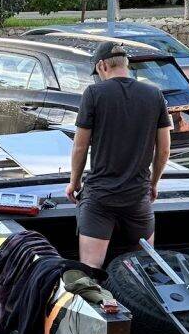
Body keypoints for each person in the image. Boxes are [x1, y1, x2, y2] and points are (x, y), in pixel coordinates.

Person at [65, 41, 172, 269]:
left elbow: (80, 147)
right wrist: (153, 184)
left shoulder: (94, 93)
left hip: (100, 198)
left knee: (91, 270)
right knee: (145, 269)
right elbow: (164, 150)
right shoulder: (154, 94)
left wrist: (73, 182)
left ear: (102, 65)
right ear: (126, 64)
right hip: (137, 197)